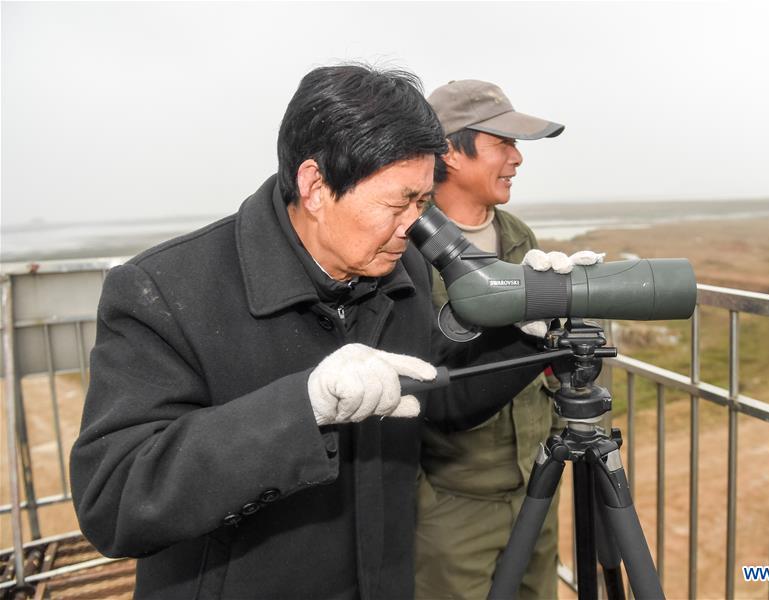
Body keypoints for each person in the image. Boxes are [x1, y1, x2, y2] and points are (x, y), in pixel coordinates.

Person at [69, 65, 553, 600]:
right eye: (397, 204)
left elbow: (438, 395)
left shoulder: (402, 266)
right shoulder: (163, 291)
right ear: (316, 185)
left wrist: (524, 333)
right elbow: (114, 499)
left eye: (421, 203)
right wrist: (302, 409)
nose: (411, 226)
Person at [415, 80, 602, 600]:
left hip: (536, 487)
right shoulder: (408, 248)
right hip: (452, 505)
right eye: (503, 143)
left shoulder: (518, 237)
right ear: (450, 151)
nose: (517, 158)